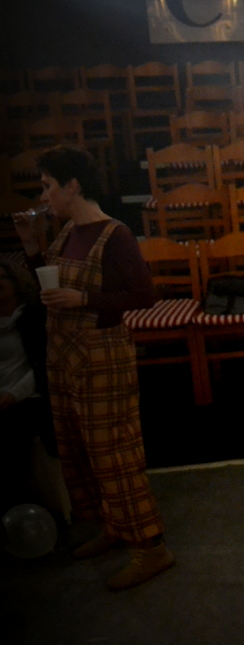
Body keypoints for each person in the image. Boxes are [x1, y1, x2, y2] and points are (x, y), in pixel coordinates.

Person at [15, 145, 169, 590]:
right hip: (66, 353)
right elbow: (52, 283)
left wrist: (83, 299)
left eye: (48, 186)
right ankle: (114, 526)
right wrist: (31, 249)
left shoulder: (115, 234)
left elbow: (144, 296)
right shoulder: (67, 232)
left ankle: (151, 548)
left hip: (101, 357)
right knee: (81, 448)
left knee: (113, 454)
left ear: (72, 185)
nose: (44, 196)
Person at [0, 260, 56, 512]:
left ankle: (17, 506)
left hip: (29, 395)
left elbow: (41, 366)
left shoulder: (31, 317)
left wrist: (12, 395)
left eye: (1, 277)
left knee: (10, 430)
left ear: (16, 282)